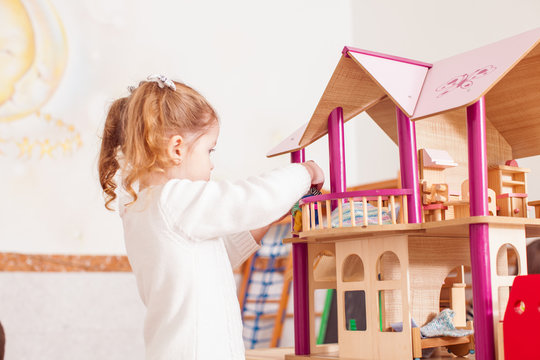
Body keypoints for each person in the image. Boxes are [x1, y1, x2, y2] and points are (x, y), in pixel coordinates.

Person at [98, 75, 324, 360]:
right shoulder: (174, 198)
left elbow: (208, 260)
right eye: (209, 150)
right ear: (177, 149)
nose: (212, 163)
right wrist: (305, 172)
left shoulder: (144, 207)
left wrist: (264, 221)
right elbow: (254, 197)